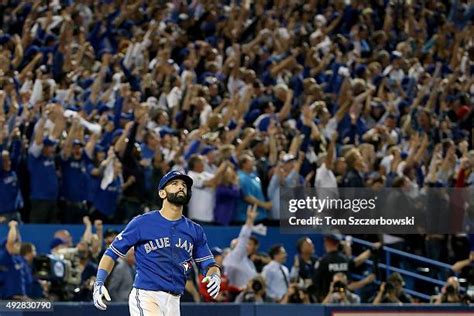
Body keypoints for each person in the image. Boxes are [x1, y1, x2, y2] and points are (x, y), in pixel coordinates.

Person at [93, 170, 222, 315]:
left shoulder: (195, 230)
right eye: (174, 184)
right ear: (162, 193)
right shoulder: (142, 222)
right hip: (147, 296)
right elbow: (112, 253)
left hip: (174, 300)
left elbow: (208, 264)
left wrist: (214, 275)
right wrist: (99, 282)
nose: (181, 187)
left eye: (184, 185)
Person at [222, 204, 259, 288]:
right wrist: (249, 220)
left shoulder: (247, 261)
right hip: (237, 296)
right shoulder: (235, 257)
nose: (244, 246)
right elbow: (243, 237)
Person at [0, 221, 27, 299]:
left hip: (20, 297)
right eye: (16, 244)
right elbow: (11, 242)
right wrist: (12, 226)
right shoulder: (4, 256)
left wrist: (17, 230)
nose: (19, 246)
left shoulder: (18, 258)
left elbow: (17, 240)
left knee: (45, 307)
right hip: (8, 299)